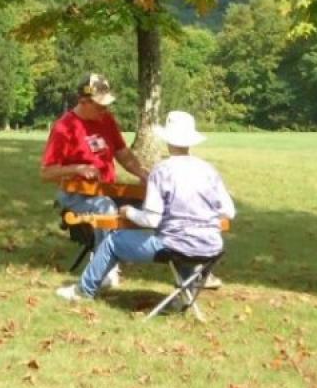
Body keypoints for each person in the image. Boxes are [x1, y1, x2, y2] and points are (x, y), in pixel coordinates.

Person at [56, 109, 234, 302]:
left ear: (168, 140)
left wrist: (129, 212)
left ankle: (84, 290)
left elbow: (151, 220)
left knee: (112, 242)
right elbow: (229, 212)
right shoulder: (208, 170)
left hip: (177, 246)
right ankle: (185, 297)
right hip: (211, 248)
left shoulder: (162, 171)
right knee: (186, 244)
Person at [40, 74, 148, 286]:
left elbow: (123, 154)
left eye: (106, 106)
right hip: (75, 195)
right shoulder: (64, 127)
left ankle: (177, 258)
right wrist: (78, 168)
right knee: (105, 207)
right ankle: (105, 268)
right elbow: (46, 172)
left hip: (107, 190)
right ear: (83, 101)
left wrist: (143, 174)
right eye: (100, 106)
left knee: (152, 205)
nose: (104, 110)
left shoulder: (106, 120)